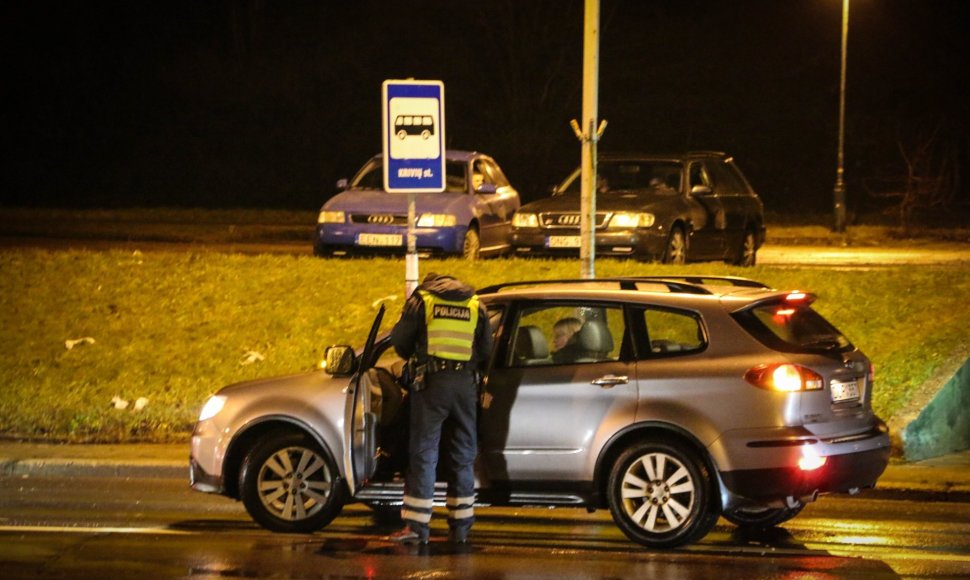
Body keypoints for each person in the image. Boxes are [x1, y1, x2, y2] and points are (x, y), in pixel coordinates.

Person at [388, 272, 493, 545]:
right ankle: (461, 528)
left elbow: (400, 342)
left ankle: (417, 527)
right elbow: (485, 350)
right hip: (466, 385)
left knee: (424, 453)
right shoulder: (475, 303)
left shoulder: (423, 300)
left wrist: (419, 355)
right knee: (463, 454)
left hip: (432, 384)